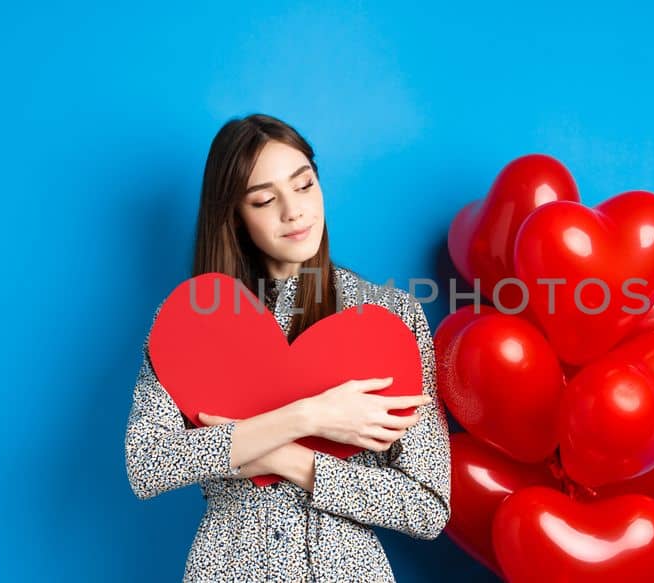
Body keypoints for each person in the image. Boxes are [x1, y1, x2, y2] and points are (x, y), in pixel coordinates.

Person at [125, 113, 452, 582]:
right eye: (264, 199)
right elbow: (148, 463)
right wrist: (310, 417)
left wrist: (283, 457)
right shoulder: (189, 324)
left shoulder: (389, 317)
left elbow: (427, 506)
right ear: (235, 216)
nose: (294, 211)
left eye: (304, 186)